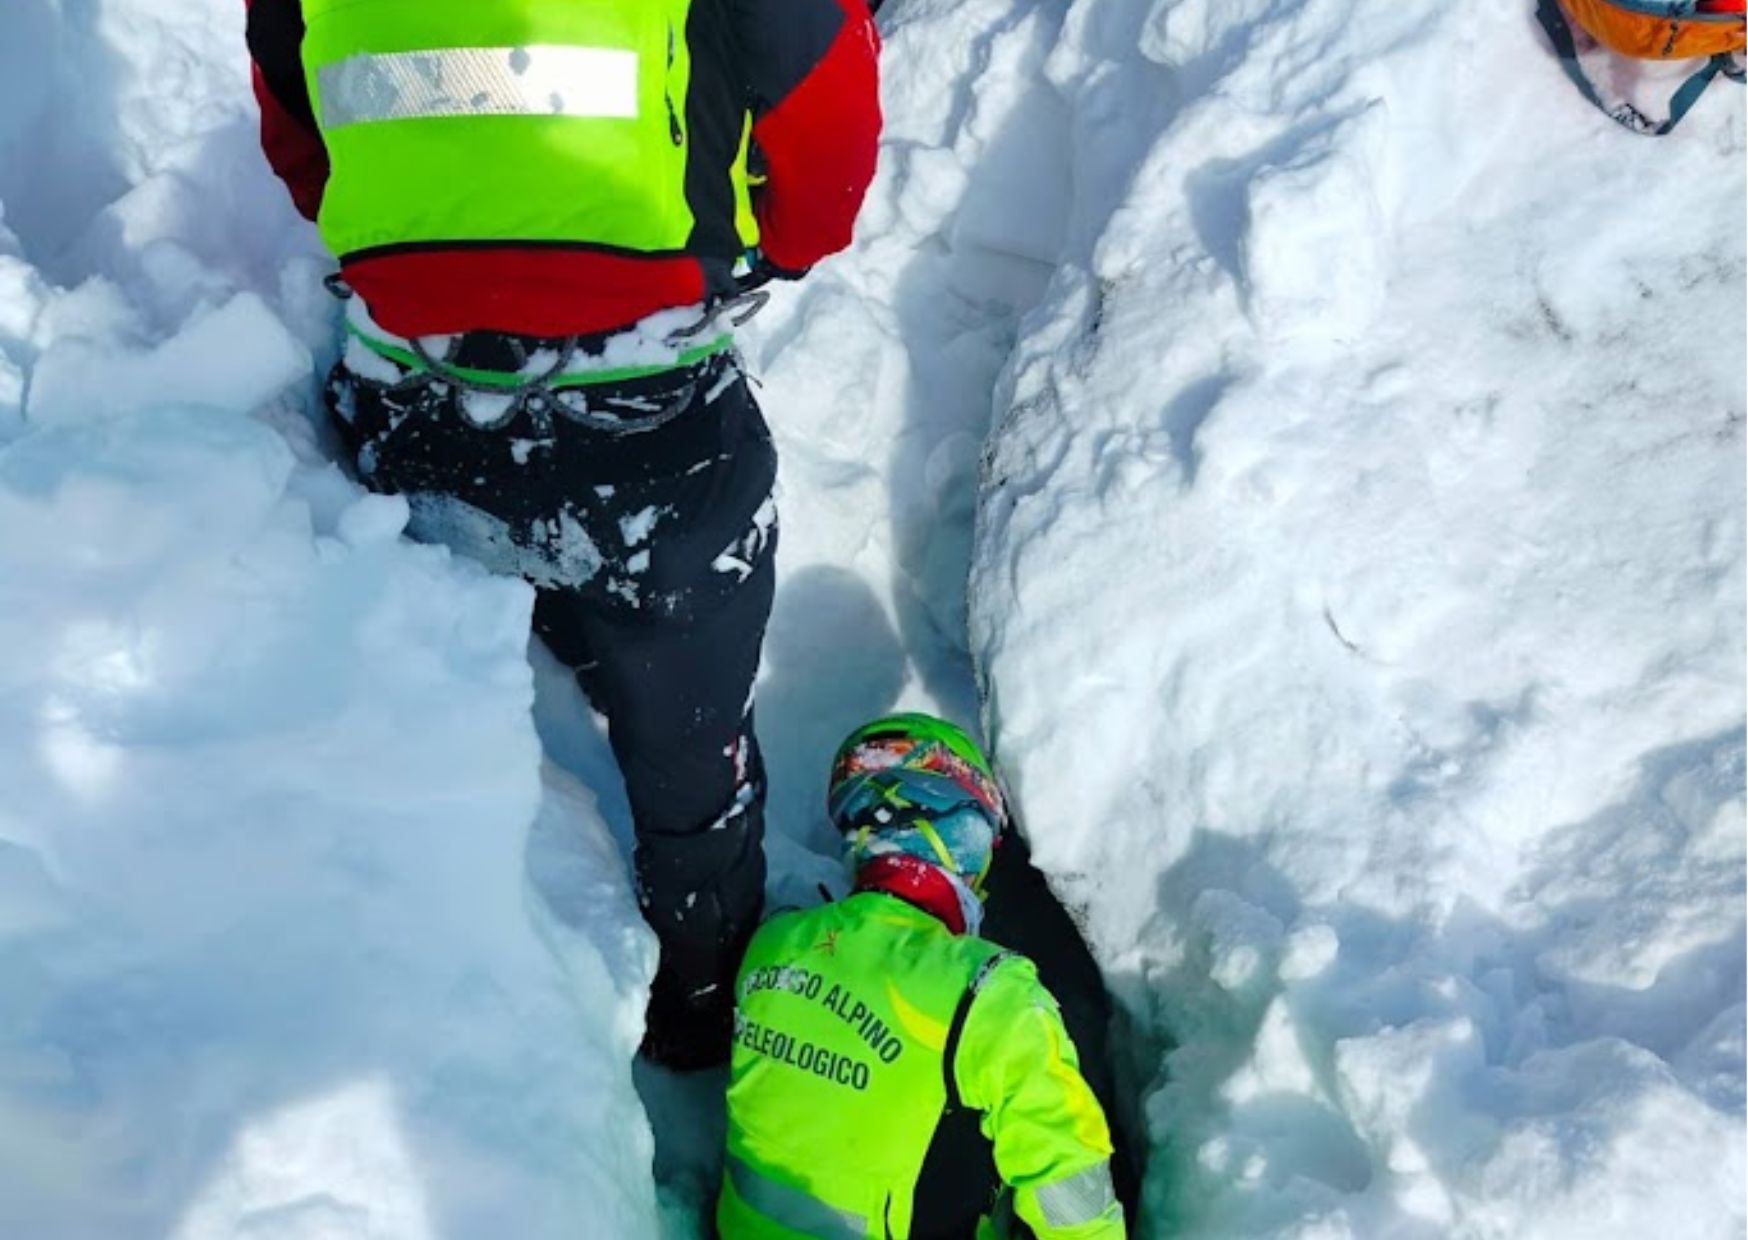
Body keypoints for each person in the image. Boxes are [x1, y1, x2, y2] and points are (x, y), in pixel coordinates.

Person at [243, 0, 882, 1069]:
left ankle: (504, 986)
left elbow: (298, 132)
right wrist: (754, 243)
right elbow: (823, 154)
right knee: (689, 757)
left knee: (445, 703)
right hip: (643, 430)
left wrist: (444, 233)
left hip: (403, 401)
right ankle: (698, 1003)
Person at [720, 714, 1128, 1239]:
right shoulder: (988, 992)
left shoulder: (775, 945)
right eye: (980, 837)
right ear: (947, 835)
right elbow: (1072, 1195)